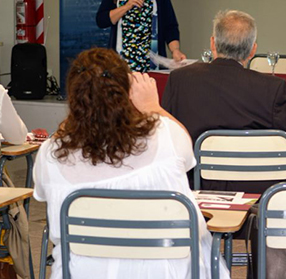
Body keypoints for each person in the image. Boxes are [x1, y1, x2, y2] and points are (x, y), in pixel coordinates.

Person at [32, 48, 228, 279]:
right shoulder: (165, 134)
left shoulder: (51, 154)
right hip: (167, 272)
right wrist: (153, 108)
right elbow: (188, 157)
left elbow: (44, 194)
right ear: (127, 90)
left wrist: (81, 113)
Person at [162, 9, 286, 193]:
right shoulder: (272, 88)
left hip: (198, 188)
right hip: (259, 194)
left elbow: (168, 138)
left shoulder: (180, 80)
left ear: (213, 43)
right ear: (253, 50)